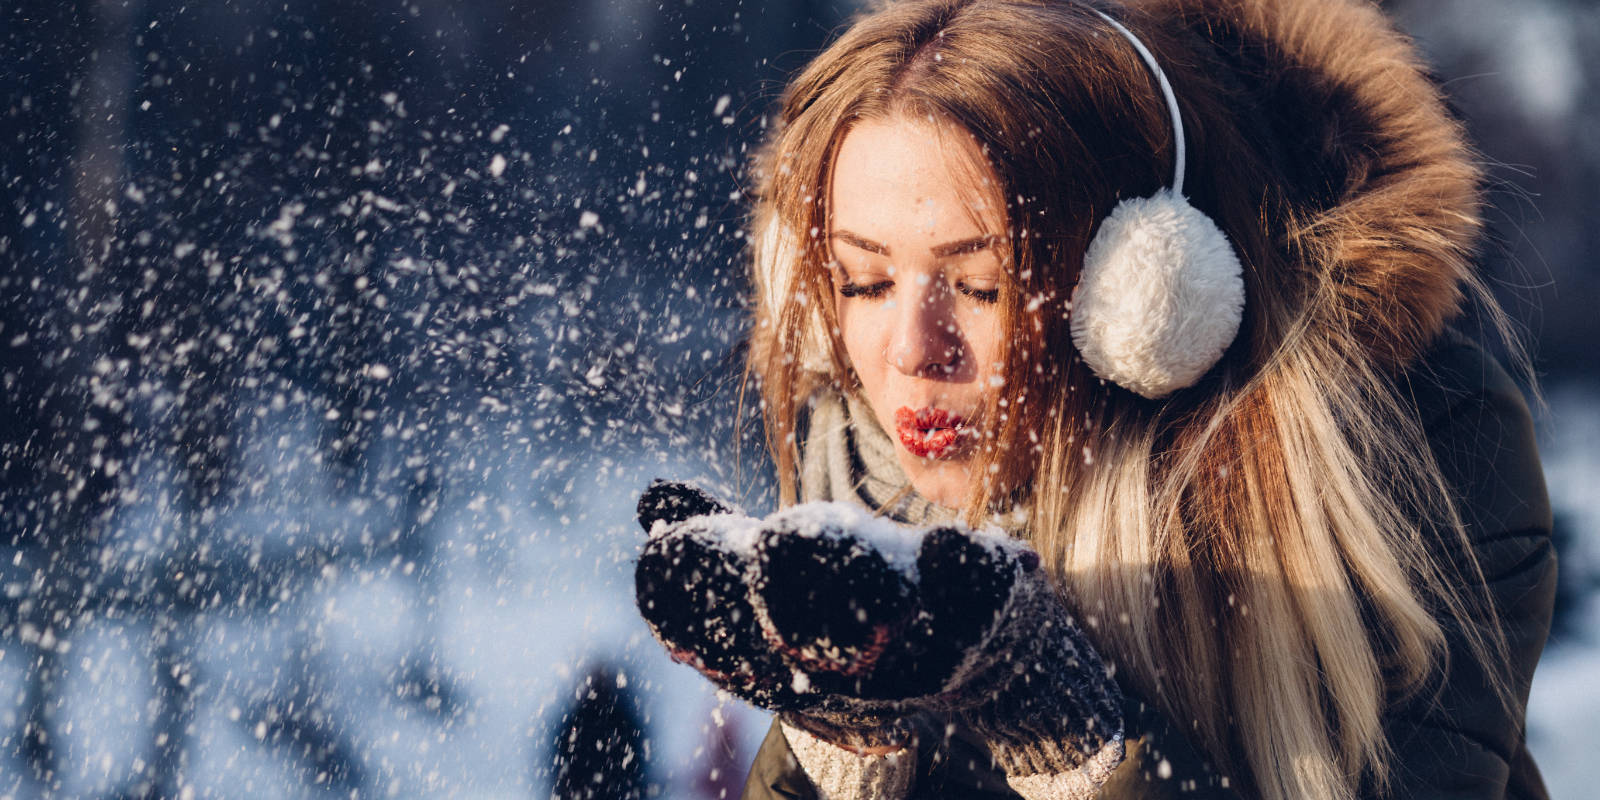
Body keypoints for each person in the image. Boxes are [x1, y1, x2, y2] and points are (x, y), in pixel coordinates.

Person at [632, 0, 1556, 798]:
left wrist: (1074, 746)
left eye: (982, 286)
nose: (913, 351)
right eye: (865, 283)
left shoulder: (1415, 453)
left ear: (1145, 296)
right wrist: (843, 749)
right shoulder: (856, 478)